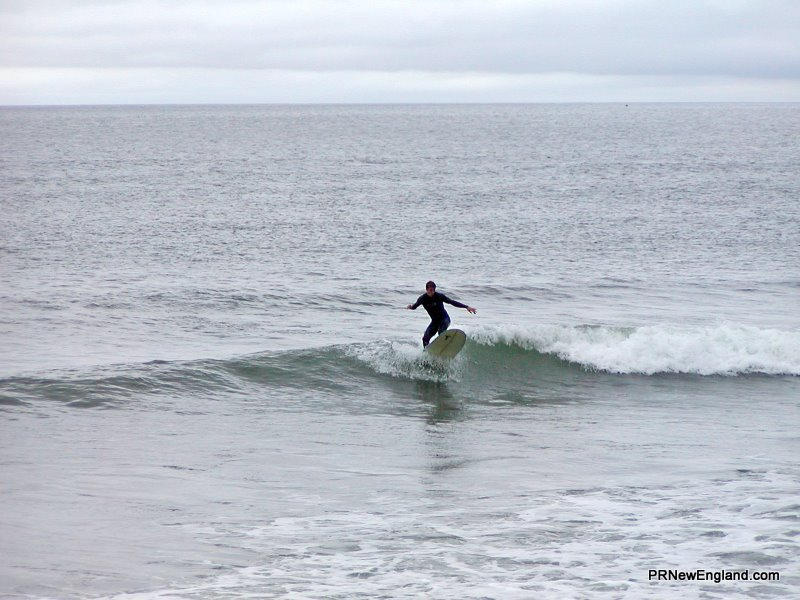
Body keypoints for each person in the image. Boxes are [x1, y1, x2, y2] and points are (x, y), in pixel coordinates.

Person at [406, 281, 477, 347]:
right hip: (435, 322)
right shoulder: (422, 298)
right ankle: (427, 354)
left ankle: (448, 344)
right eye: (430, 290)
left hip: (445, 319)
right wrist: (411, 307)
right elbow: (415, 306)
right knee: (425, 339)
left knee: (441, 332)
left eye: (433, 290)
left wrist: (466, 307)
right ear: (426, 289)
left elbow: (452, 302)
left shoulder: (439, 296)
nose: (432, 292)